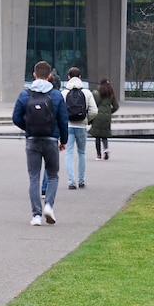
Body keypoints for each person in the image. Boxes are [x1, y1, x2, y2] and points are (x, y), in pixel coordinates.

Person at [12, 59, 68, 226]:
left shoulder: (25, 94)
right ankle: (49, 205)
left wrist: (28, 127)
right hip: (51, 139)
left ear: (34, 74)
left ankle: (36, 215)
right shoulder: (56, 95)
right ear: (50, 76)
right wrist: (63, 140)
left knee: (34, 178)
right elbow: (63, 120)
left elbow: (15, 118)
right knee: (52, 175)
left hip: (32, 140)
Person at [60, 66, 92, 189]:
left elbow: (60, 111)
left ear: (68, 77)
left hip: (68, 125)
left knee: (68, 153)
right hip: (81, 126)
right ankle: (81, 180)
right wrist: (86, 120)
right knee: (82, 153)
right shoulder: (87, 93)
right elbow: (94, 110)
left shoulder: (64, 93)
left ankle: (71, 182)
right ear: (80, 77)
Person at [91, 77, 119, 161]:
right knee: (104, 135)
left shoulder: (96, 93)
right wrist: (109, 112)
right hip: (107, 116)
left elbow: (93, 104)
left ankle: (98, 155)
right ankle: (106, 149)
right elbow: (116, 106)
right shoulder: (111, 94)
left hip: (97, 115)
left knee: (97, 136)